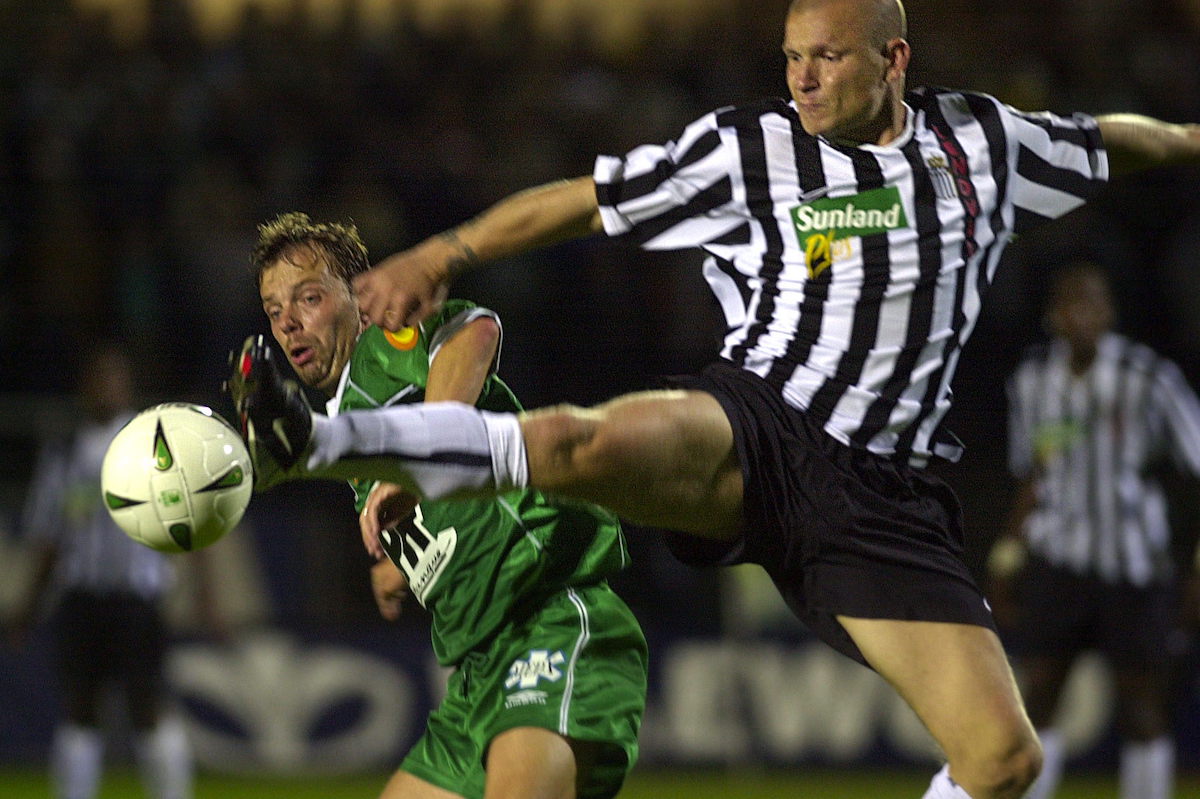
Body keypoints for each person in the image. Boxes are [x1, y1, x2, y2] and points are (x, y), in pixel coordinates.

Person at [230, 2, 1200, 797]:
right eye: (791, 57)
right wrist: (447, 251)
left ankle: (337, 444)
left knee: (1004, 759)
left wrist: (1191, 138)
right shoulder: (751, 149)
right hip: (758, 423)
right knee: (577, 441)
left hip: (883, 502)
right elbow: (587, 197)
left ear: (895, 56)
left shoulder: (983, 146)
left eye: (826, 56)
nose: (803, 78)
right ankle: (309, 442)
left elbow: (1116, 142)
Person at [236, 212, 647, 799]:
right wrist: (396, 562)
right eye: (275, 312)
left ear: (356, 297)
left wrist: (422, 458)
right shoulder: (344, 420)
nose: (290, 324)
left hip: (546, 619)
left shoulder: (383, 342)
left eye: (307, 298)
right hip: (478, 674)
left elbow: (473, 331)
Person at [988, 260, 1200, 799]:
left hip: (1133, 565)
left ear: (1109, 312)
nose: (1081, 314)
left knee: (1142, 706)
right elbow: (1033, 474)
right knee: (1039, 695)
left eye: (1092, 302)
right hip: (1058, 560)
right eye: (1070, 303)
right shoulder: (1032, 382)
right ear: (1053, 316)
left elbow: (1194, 465)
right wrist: (1007, 557)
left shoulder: (1148, 379)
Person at [10, 343, 195, 799]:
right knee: (80, 708)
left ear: (126, 384)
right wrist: (29, 605)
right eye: (97, 378)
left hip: (136, 597)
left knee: (147, 704)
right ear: (84, 388)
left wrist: (202, 594)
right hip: (82, 597)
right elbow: (49, 538)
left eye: (113, 377)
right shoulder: (65, 453)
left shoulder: (151, 446)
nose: (105, 387)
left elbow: (190, 518)